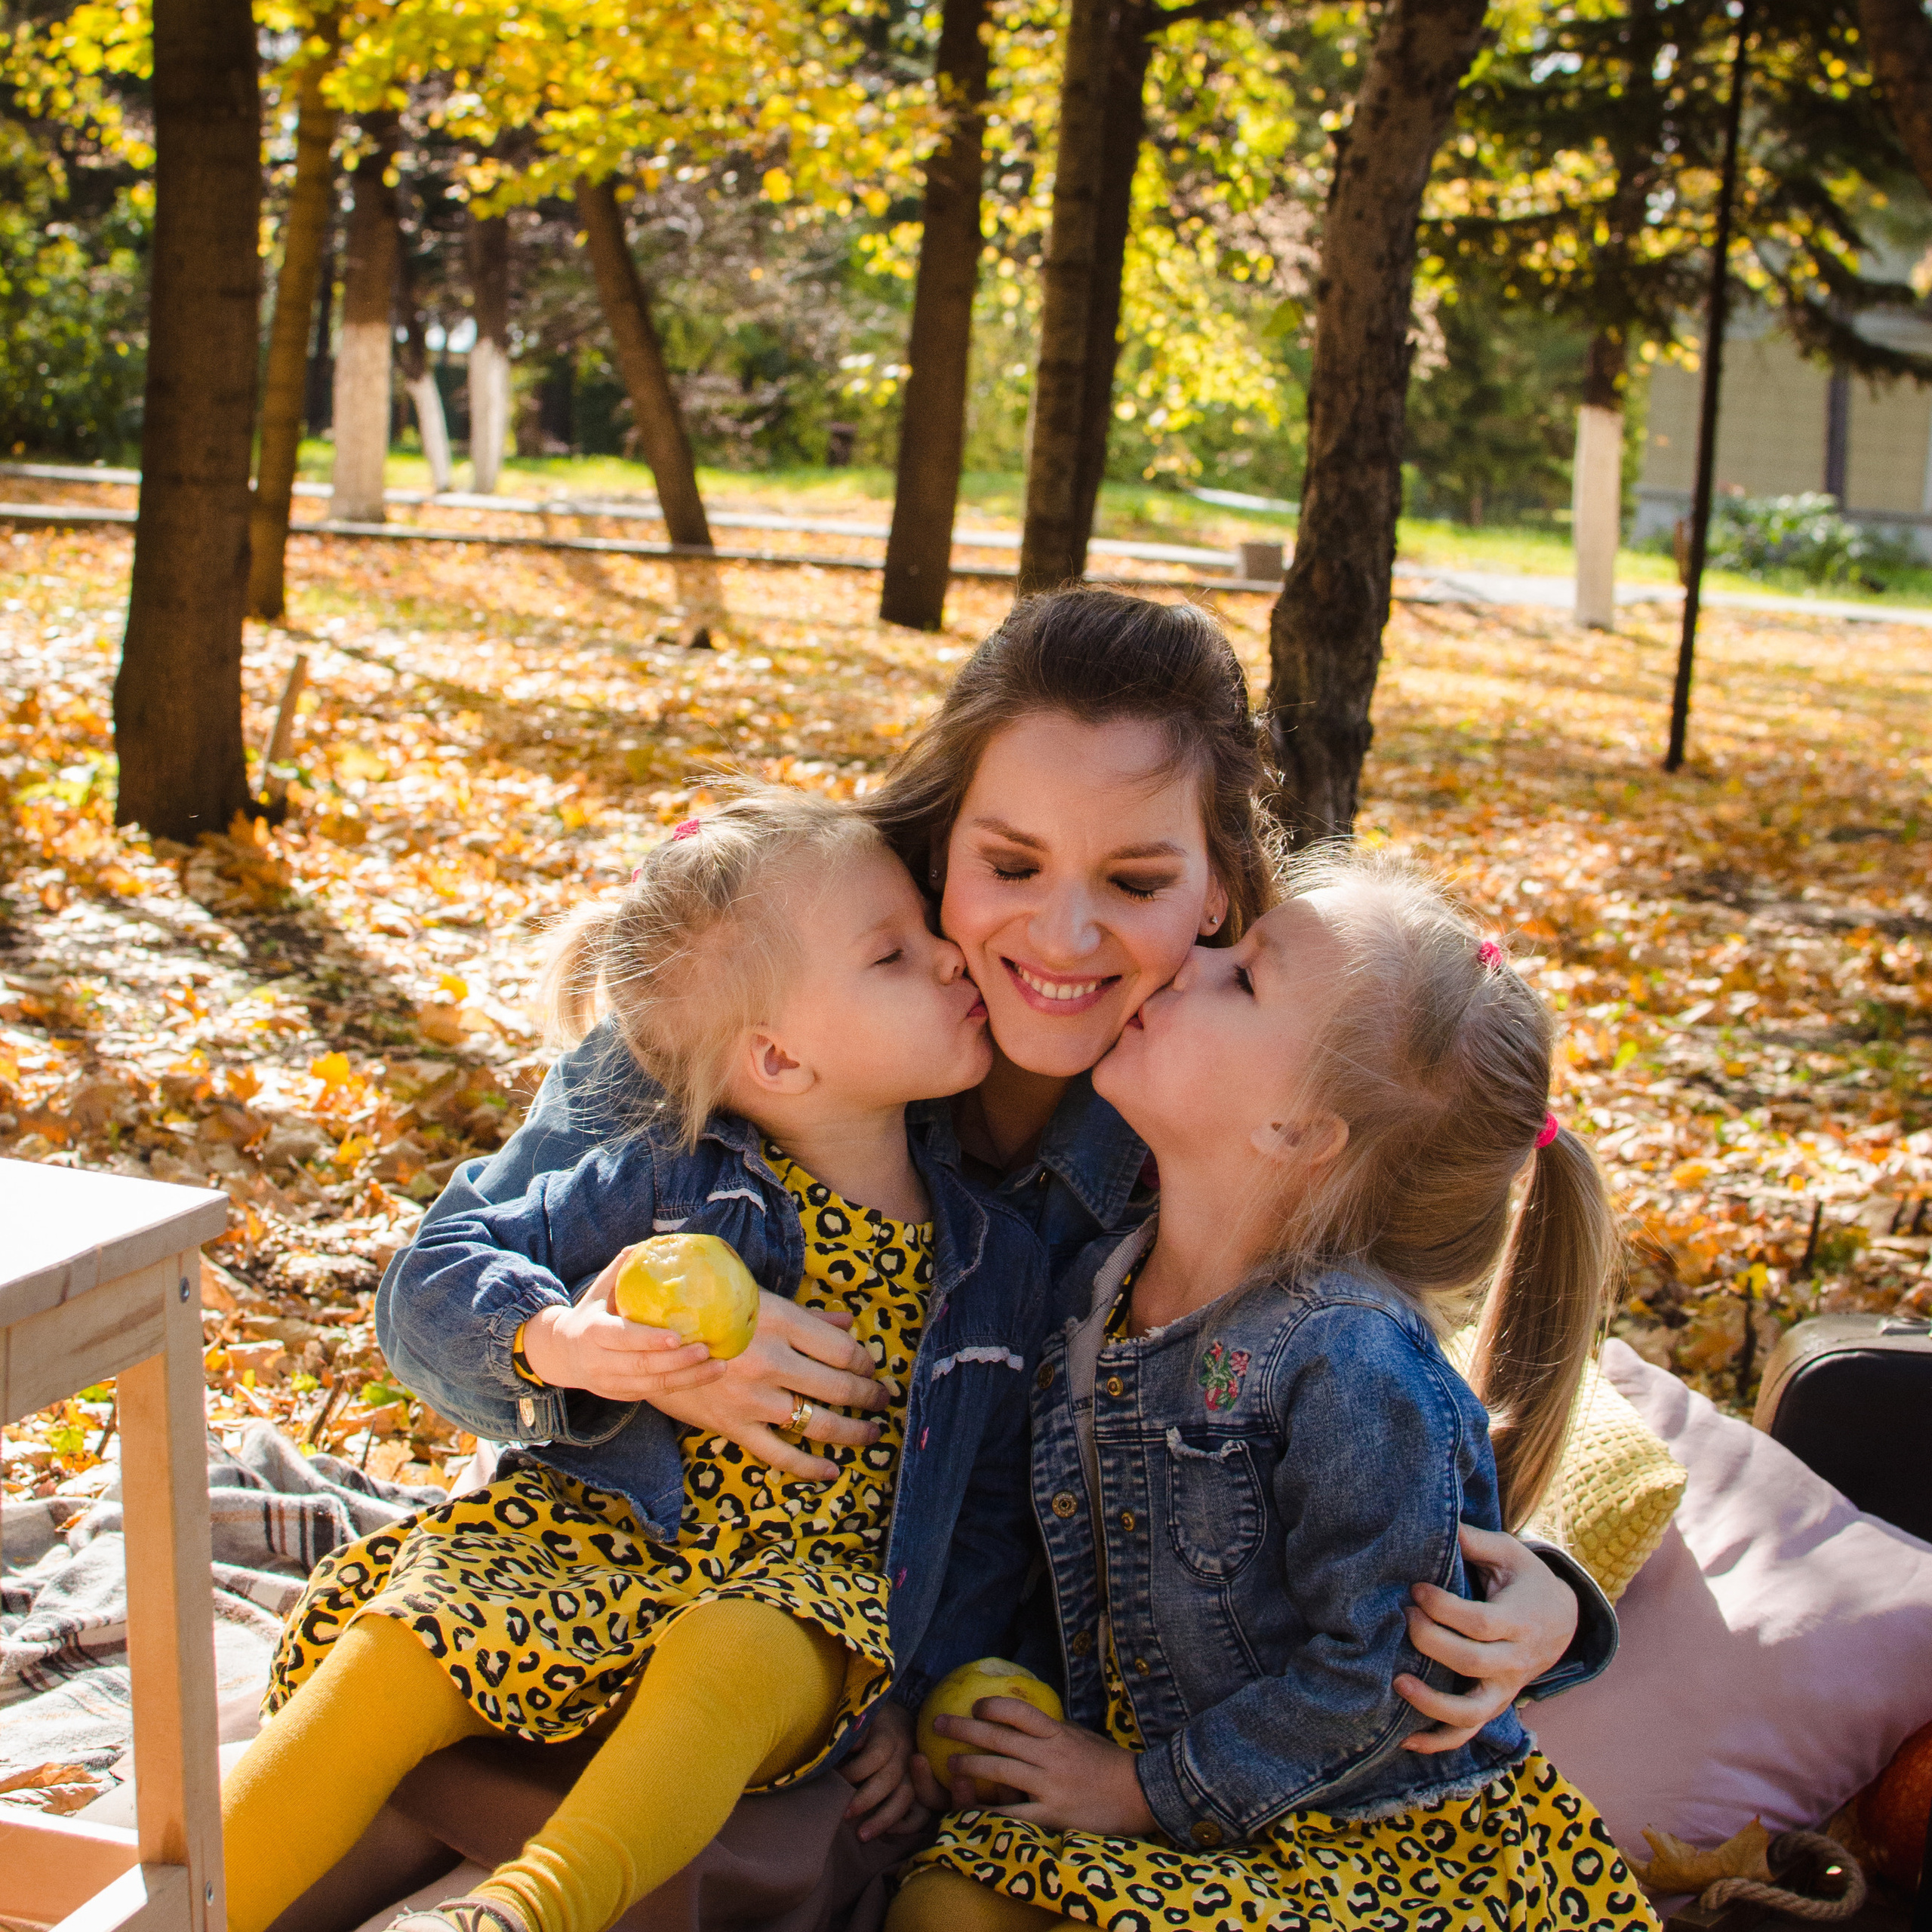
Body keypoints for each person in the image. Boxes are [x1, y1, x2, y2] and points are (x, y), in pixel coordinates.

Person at [380, 592, 1604, 1758]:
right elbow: (428, 1302)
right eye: (1010, 866)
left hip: (857, 1702)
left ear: (1219, 895)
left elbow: (1380, 1435)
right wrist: (643, 1348)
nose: (1063, 941)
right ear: (943, 839)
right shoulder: (761, 995)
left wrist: (1544, 1599)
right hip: (580, 1594)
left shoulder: (1220, 1130)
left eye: (1135, 885)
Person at [219, 789, 1051, 1932]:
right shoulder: (663, 1183)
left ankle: (524, 1914)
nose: (955, 958)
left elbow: (990, 1515)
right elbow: (431, 1281)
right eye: (893, 954)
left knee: (744, 1644)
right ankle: (173, 1906)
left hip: (800, 1610)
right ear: (777, 1055)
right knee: (409, 1632)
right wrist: (566, 1341)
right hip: (587, 1547)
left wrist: (909, 1697)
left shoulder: (993, 1261)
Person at [888, 848, 1660, 1932]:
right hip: (1205, 1823)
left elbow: (1381, 1674)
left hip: (1376, 1849)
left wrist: (1138, 1791)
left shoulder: (1347, 1359)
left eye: (1244, 976)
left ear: (1298, 1132)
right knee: (946, 1906)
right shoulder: (1096, 1289)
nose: (1192, 963)